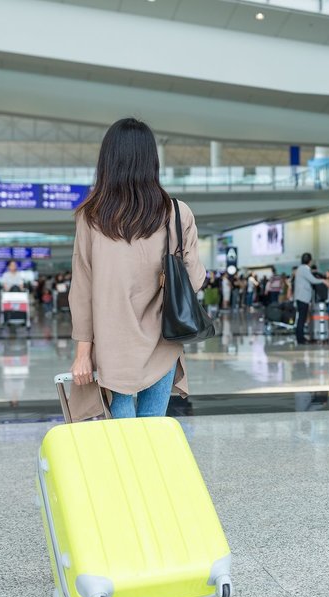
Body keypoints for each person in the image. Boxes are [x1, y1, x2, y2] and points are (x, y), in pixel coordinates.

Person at [69, 117, 206, 420]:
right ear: (151, 161)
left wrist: (82, 354)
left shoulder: (91, 217)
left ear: (108, 161)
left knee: (121, 439)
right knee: (151, 432)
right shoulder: (176, 212)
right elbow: (194, 280)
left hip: (111, 346)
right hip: (161, 341)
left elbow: (82, 289)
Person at [293, 252, 324, 345]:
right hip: (303, 297)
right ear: (310, 261)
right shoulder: (304, 269)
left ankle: (300, 337)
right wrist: (323, 281)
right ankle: (300, 339)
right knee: (302, 319)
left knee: (301, 319)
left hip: (300, 297)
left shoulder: (300, 269)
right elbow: (313, 280)